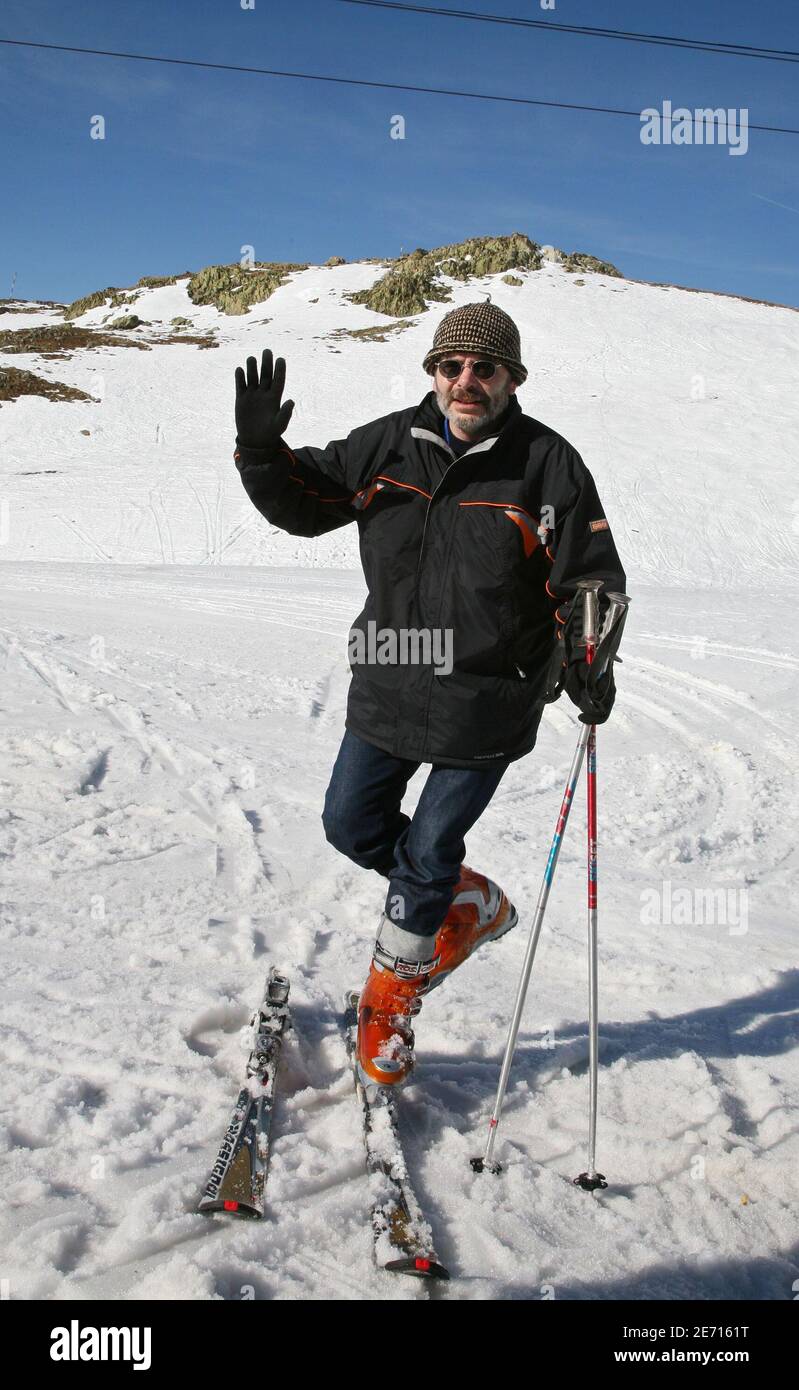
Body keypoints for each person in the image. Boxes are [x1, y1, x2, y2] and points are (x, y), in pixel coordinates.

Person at [233, 300, 626, 1088]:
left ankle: (388, 1005)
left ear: (512, 377)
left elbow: (587, 574)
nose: (467, 381)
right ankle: (466, 902)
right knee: (349, 825)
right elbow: (305, 504)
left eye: (485, 368)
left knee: (425, 856)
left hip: (488, 696)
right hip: (388, 675)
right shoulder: (384, 444)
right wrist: (259, 449)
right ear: (433, 374)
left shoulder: (547, 463)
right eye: (452, 366)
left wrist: (588, 654)